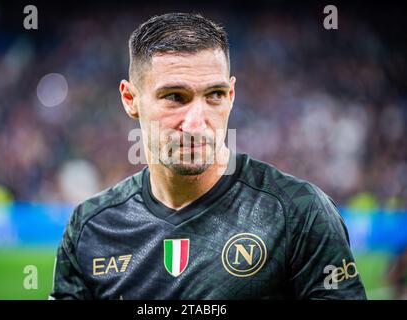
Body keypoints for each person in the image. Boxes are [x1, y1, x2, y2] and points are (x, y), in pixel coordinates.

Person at [50, 12, 366, 299]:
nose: (197, 123)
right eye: (175, 96)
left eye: (214, 95)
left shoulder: (300, 214)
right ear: (131, 99)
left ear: (230, 96)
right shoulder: (91, 227)